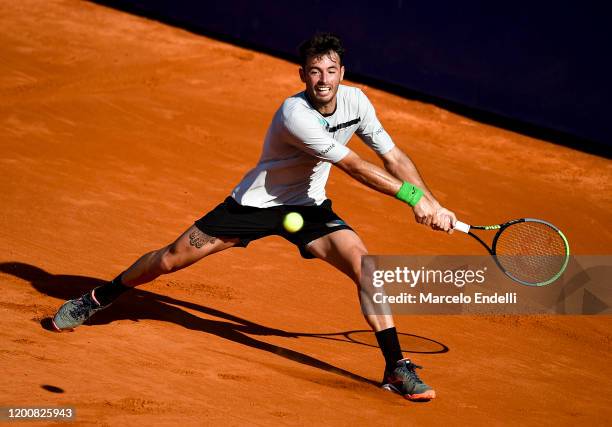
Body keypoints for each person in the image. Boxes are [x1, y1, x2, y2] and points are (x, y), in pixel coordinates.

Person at [52, 33, 456, 401]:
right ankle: (98, 297)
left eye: (331, 70)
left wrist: (432, 203)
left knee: (365, 266)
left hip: (308, 208)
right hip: (254, 206)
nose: (323, 79)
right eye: (314, 71)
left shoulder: (358, 102)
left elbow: (393, 157)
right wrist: (411, 198)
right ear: (302, 75)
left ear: (342, 72)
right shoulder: (294, 114)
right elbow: (353, 165)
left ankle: (396, 367)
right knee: (170, 259)